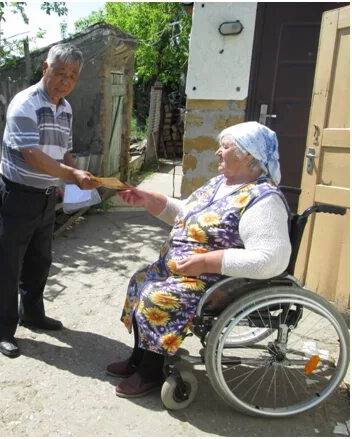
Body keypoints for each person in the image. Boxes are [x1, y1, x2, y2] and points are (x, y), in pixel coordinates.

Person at [108, 121, 291, 398]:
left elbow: (271, 258)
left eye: (226, 147)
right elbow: (188, 214)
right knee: (139, 281)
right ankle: (140, 356)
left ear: (249, 155)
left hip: (216, 282)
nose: (218, 152)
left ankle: (150, 372)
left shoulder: (263, 199)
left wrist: (207, 262)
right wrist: (149, 200)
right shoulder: (221, 183)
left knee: (158, 297)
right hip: (184, 270)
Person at [0, 43, 101, 358]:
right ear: (44, 68)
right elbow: (33, 155)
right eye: (60, 72)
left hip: (44, 196)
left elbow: (63, 150)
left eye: (72, 76)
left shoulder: (65, 108)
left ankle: (33, 314)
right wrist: (70, 175)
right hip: (16, 195)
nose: (65, 81)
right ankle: (2, 329)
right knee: (9, 264)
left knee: (40, 260)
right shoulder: (24, 104)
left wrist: (71, 180)